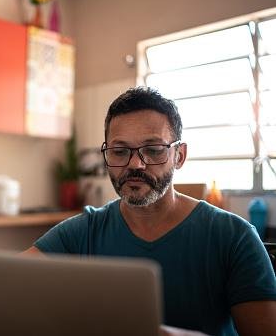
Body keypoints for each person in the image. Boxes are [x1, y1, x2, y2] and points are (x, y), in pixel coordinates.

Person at [24, 87, 276, 336]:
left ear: (179, 155)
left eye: (153, 150)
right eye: (120, 151)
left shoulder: (233, 237)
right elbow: (6, 283)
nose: (135, 164)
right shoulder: (82, 232)